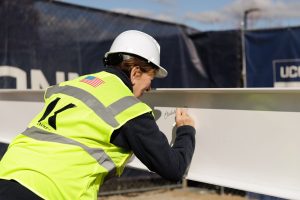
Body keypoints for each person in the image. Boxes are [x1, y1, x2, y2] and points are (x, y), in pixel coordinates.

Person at [0, 30, 196, 200]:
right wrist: (186, 130)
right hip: (51, 191)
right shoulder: (129, 108)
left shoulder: (75, 85)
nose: (150, 88)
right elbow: (173, 169)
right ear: (135, 72)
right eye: (150, 78)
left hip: (7, 174)